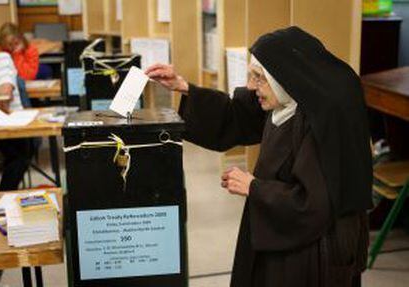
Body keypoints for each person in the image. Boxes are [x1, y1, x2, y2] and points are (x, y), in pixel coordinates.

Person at [145, 26, 373, 287]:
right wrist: (183, 87)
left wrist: (253, 187)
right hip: (283, 232)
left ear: (284, 78)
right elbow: (237, 115)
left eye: (259, 77)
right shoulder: (287, 99)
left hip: (308, 254)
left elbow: (314, 205)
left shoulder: (324, 125)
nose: (252, 86)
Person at [0, 52, 35, 191]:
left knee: (20, 156)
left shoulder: (2, 58)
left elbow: (5, 92)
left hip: (9, 123)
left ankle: (3, 195)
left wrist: (1, 96)